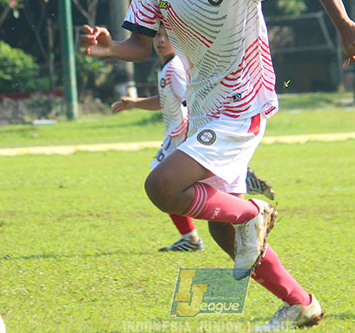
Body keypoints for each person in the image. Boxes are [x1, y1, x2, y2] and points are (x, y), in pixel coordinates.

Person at [79, 0, 355, 331]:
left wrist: (342, 24)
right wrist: (107, 48)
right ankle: (301, 304)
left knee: (162, 187)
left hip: (244, 102)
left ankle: (255, 212)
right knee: (223, 228)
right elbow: (139, 45)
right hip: (205, 104)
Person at [112, 24, 275, 253]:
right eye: (157, 36)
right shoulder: (167, 67)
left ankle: (193, 236)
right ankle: (235, 177)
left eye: (166, 36)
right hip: (177, 135)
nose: (160, 41)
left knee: (165, 186)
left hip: (182, 135)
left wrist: (193, 137)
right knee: (167, 186)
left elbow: (188, 100)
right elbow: (165, 100)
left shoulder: (174, 68)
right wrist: (135, 104)